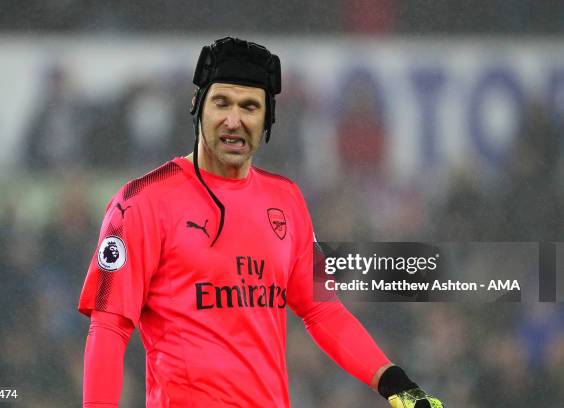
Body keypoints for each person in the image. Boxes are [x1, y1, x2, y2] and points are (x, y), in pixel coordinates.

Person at [78, 37, 444, 408]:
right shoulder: (141, 202)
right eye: (221, 102)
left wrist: (393, 381)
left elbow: (322, 309)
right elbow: (109, 326)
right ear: (197, 106)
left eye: (250, 106)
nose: (234, 120)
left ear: (267, 117)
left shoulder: (287, 201)